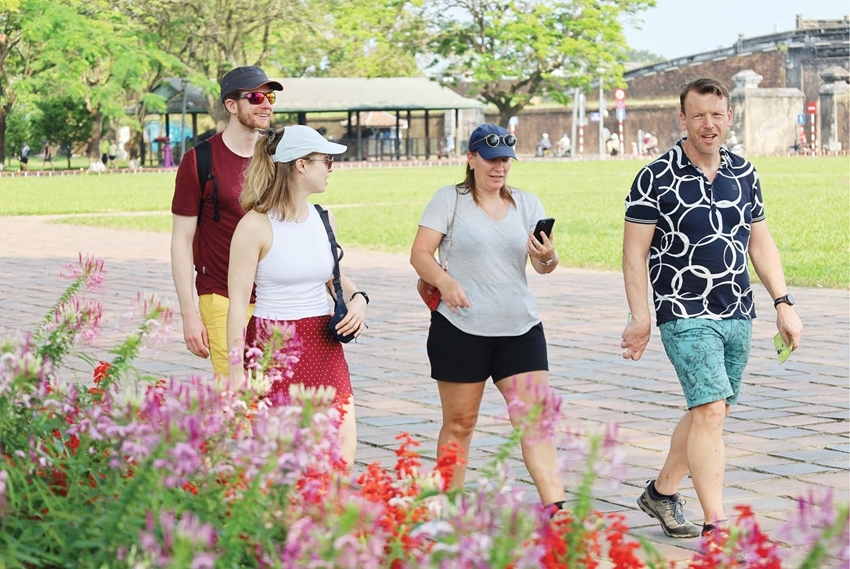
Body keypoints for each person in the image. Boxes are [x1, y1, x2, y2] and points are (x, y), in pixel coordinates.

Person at [620, 77, 803, 539]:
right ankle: (716, 523)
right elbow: (633, 253)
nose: (708, 124)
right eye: (698, 115)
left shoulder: (744, 172)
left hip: (737, 308)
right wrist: (639, 316)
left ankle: (660, 494)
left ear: (729, 117)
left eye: (716, 114)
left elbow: (760, 242)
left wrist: (783, 302)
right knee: (712, 411)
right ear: (682, 119)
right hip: (682, 309)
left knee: (710, 408)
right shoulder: (655, 176)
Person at [410, 123, 566, 513]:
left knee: (534, 423)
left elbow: (543, 265)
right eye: (492, 160)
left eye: (506, 161)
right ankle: (447, 507)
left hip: (520, 327)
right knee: (461, 423)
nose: (500, 168)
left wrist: (547, 256)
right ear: (471, 158)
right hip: (461, 329)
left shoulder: (527, 204)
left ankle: (556, 510)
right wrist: (444, 283)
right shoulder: (450, 200)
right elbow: (420, 254)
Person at [226, 125, 366, 466]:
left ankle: (331, 516)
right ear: (301, 164)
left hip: (323, 344)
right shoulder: (255, 226)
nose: (331, 168)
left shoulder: (323, 218)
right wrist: (235, 375)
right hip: (275, 345)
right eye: (326, 160)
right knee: (280, 459)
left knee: (341, 448)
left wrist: (359, 300)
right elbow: (237, 305)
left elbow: (336, 278)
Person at [170, 66, 283, 376]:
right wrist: (189, 314)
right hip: (221, 294)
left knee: (274, 398)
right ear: (232, 106)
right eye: (257, 97)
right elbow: (181, 241)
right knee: (237, 395)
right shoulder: (199, 161)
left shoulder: (277, 158)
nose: (267, 105)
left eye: (270, 96)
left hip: (274, 298)